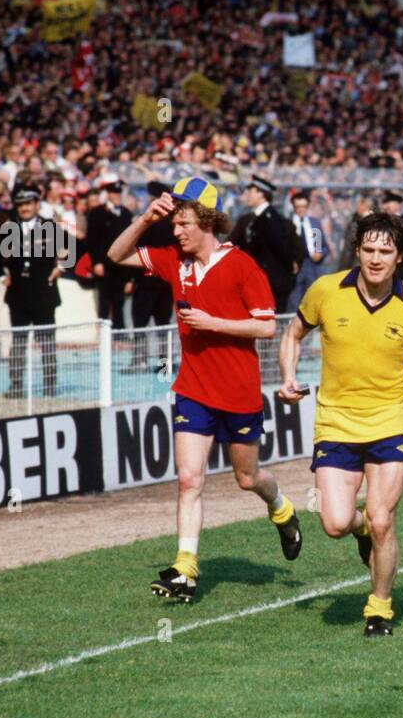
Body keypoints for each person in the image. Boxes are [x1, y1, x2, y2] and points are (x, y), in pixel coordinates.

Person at [106, 176, 303, 602]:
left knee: (247, 478)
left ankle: (281, 509)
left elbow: (267, 326)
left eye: (184, 223)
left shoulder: (242, 266)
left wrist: (214, 324)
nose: (176, 231)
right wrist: (144, 218)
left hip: (239, 393)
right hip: (193, 390)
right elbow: (115, 254)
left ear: (208, 223)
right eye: (174, 222)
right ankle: (185, 567)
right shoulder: (172, 261)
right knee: (189, 480)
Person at [277, 212, 403, 637]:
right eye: (369, 249)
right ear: (356, 251)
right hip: (335, 423)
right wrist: (288, 377)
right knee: (334, 523)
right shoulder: (326, 291)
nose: (376, 258)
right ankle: (360, 526)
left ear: (400, 257)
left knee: (383, 519)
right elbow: (293, 334)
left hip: (389, 422)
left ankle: (379, 607)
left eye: (386, 251)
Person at [0, 184, 62, 399]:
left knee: (47, 343)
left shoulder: (50, 227)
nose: (24, 208)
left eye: (28, 203)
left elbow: (70, 252)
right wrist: (1, 276)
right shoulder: (8, 229)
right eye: (20, 204)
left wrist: (60, 268)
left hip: (45, 294)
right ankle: (16, 384)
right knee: (18, 343)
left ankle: (50, 385)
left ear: (36, 204)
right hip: (18, 296)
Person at [229, 174, 301, 312]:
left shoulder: (270, 219)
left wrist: (291, 265)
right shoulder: (254, 218)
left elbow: (280, 247)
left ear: (261, 194)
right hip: (258, 281)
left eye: (251, 191)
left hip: (272, 283)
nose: (248, 195)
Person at [87, 172, 137, 348]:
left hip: (121, 266)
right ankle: (103, 337)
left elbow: (130, 243)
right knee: (104, 302)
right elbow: (92, 240)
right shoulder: (97, 213)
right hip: (105, 265)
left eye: (118, 193)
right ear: (107, 194)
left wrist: (131, 275)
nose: (116, 196)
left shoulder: (125, 214)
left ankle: (119, 337)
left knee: (119, 302)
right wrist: (96, 262)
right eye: (114, 193)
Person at [132, 181, 176, 369]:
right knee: (163, 325)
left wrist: (132, 278)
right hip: (167, 280)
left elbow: (139, 251)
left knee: (141, 322)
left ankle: (139, 360)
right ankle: (164, 364)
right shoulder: (174, 221)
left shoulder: (149, 221)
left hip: (147, 278)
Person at [286, 187, 330, 310]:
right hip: (294, 269)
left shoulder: (314, 223)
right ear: (294, 207)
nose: (301, 210)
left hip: (312, 267)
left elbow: (323, 246)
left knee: (312, 300)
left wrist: (320, 253)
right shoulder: (287, 225)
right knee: (294, 302)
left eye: (304, 206)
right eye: (298, 207)